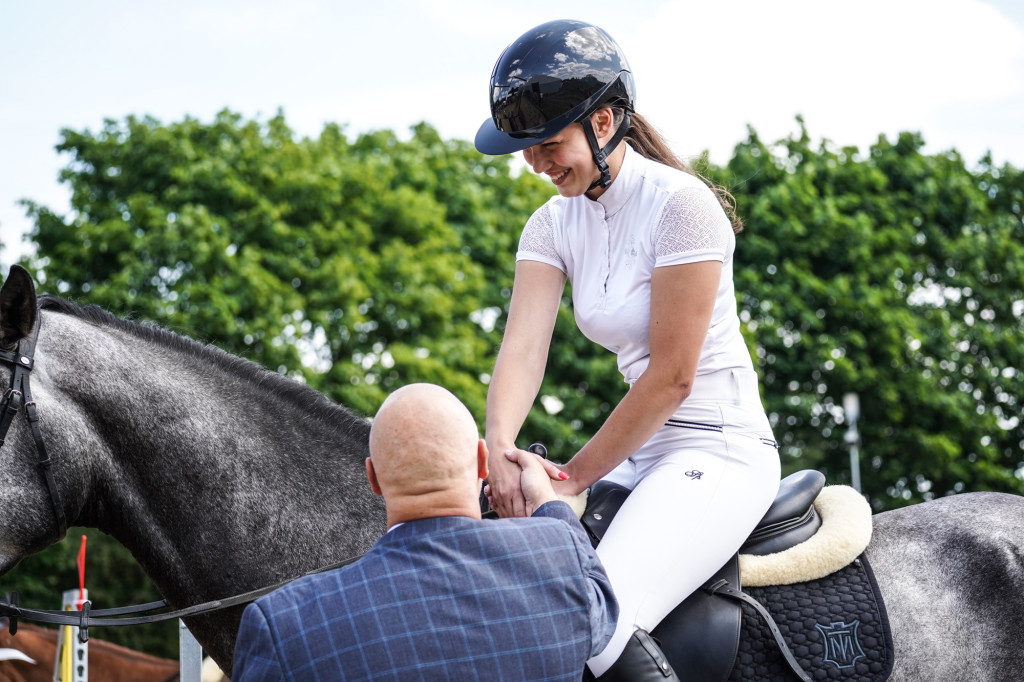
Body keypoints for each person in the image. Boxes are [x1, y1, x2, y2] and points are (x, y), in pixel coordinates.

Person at [475, 19, 782, 681]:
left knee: (590, 619)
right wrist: (500, 450)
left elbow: (672, 377)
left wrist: (568, 478)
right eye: (526, 150)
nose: (536, 164)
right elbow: (524, 350)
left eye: (549, 144)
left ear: (606, 120)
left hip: (717, 450)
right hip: (641, 456)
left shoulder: (683, 206)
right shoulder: (551, 222)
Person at [232, 382, 618, 681]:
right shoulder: (559, 559)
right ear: (483, 461)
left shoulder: (284, 623)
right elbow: (602, 607)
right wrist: (546, 504)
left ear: (373, 478)